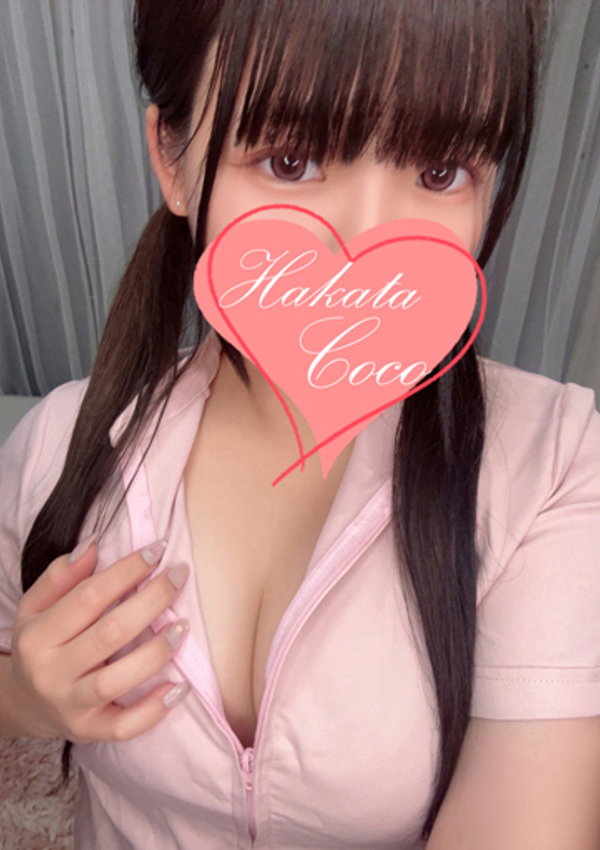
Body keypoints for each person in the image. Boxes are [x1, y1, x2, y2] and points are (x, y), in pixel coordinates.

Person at [1, 0, 600, 847]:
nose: (367, 243)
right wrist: (25, 700)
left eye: (439, 173)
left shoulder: (553, 466)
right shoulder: (59, 447)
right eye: (290, 160)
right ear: (172, 159)